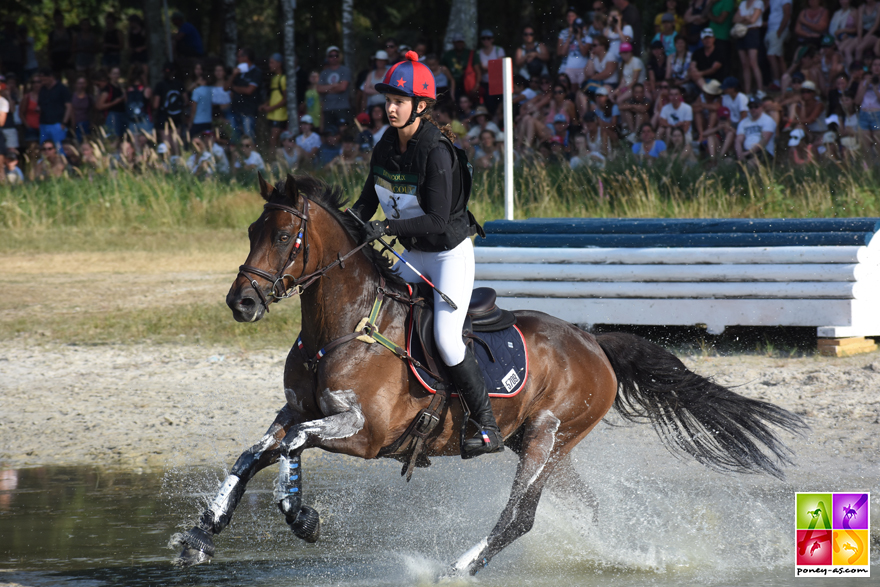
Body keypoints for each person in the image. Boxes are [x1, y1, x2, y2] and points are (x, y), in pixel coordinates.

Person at [350, 51, 500, 459]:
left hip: (449, 256)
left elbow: (436, 220)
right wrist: (345, 226)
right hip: (414, 256)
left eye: (399, 101)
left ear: (421, 106)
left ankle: (486, 425)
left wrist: (386, 228)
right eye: (388, 100)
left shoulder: (436, 152)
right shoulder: (385, 145)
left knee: (447, 339)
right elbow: (366, 203)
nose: (391, 107)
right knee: (379, 314)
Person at [230, 47, 262, 141]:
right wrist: (233, 75)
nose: (237, 59)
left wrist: (234, 88)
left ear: (246, 57)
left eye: (239, 56)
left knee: (249, 138)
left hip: (248, 111)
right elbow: (226, 87)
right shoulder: (238, 72)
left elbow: (249, 90)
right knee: (235, 139)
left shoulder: (256, 72)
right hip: (235, 110)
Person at [733, 0, 765, 94]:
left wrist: (742, 18)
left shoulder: (758, 3)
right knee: (744, 64)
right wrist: (745, 18)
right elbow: (734, 19)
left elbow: (752, 20)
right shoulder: (743, 3)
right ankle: (747, 91)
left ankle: (760, 90)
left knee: (753, 62)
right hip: (741, 34)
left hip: (752, 32)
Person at [152, 61, 186, 147]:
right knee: (176, 144)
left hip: (164, 117)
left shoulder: (160, 85)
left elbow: (155, 104)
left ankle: (169, 159)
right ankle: (177, 159)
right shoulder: (179, 84)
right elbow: (186, 100)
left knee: (167, 145)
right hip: (177, 117)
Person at [318, 46, 353, 128]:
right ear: (327, 57)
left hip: (342, 107)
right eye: (331, 56)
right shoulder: (324, 73)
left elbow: (343, 87)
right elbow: (319, 89)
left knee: (343, 130)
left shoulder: (345, 70)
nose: (334, 58)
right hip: (327, 108)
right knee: (329, 133)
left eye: (336, 55)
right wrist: (334, 85)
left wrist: (326, 89)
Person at [37, 69, 72, 149]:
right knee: (44, 148)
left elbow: (69, 107)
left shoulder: (62, 89)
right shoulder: (42, 89)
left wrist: (64, 123)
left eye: (44, 79)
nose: (43, 82)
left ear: (51, 77)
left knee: (59, 148)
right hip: (44, 124)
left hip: (57, 124)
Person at [260, 53, 288, 151]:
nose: (269, 65)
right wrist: (265, 104)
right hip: (272, 115)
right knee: (272, 140)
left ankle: (272, 162)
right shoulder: (274, 78)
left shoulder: (283, 79)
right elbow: (274, 95)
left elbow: (286, 98)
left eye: (272, 63)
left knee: (274, 139)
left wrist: (271, 108)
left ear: (279, 64)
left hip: (280, 115)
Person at [736, 98, 776, 164]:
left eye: (756, 106)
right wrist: (739, 154)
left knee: (751, 163)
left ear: (761, 107)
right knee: (728, 161)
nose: (753, 109)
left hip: (763, 151)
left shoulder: (768, 120)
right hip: (746, 151)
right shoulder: (743, 122)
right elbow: (738, 140)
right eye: (751, 107)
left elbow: (764, 141)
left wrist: (747, 153)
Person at [765, 0, 792, 90]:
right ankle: (785, 82)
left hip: (778, 30)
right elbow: (765, 6)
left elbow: (787, 14)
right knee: (779, 57)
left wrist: (780, 31)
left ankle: (777, 82)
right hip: (771, 30)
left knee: (772, 55)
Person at [558, 9, 590, 85]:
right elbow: (562, 52)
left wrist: (579, 38)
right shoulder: (565, 33)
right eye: (568, 16)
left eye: (572, 16)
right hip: (568, 66)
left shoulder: (587, 36)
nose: (570, 18)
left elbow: (584, 53)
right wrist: (570, 36)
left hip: (582, 67)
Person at [96, 67, 126, 138]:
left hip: (122, 115)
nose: (116, 76)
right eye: (114, 74)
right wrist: (115, 102)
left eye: (118, 74)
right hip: (112, 116)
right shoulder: (107, 88)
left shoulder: (119, 87)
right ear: (109, 75)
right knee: (113, 138)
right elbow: (99, 106)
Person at [48, 10, 72, 76]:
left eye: (60, 19)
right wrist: (50, 59)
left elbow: (72, 45)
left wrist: (72, 57)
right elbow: (49, 47)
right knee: (57, 75)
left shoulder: (68, 31)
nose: (59, 21)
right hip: (56, 56)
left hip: (67, 55)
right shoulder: (52, 34)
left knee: (70, 74)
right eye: (57, 19)